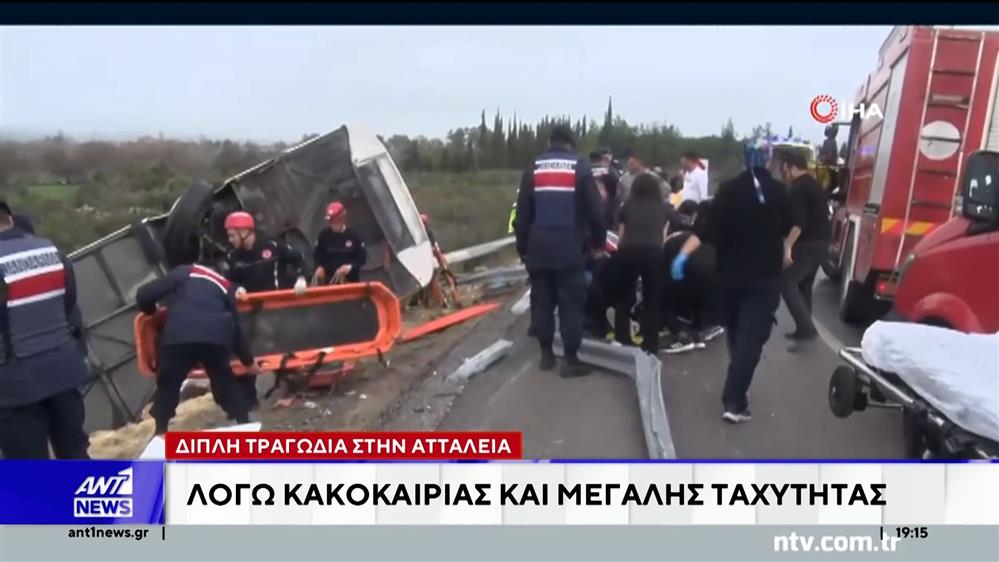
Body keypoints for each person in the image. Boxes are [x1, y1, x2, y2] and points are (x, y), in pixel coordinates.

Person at [683, 138, 791, 424]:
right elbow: (788, 226)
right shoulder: (780, 192)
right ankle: (734, 400)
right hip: (764, 278)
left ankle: (737, 375)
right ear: (769, 159)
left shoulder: (728, 189)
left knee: (736, 330)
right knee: (752, 337)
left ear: (745, 159)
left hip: (729, 276)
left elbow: (707, 227)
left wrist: (682, 255)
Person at [0, 200, 90, 459]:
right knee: (75, 455)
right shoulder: (53, 252)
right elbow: (70, 311)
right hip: (64, 372)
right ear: (10, 218)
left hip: (14, 388)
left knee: (30, 470)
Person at [515, 125, 605, 377]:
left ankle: (546, 355)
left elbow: (522, 216)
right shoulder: (580, 167)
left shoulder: (534, 167)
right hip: (570, 251)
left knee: (542, 301)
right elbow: (597, 214)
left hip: (538, 249)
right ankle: (570, 359)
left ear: (549, 142)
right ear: (571, 143)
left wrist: (523, 249)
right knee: (571, 305)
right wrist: (597, 244)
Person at [135, 263, 258, 435]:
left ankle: (161, 430)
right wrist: (248, 361)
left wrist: (150, 310)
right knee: (223, 377)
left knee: (169, 382)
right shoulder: (226, 286)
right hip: (216, 335)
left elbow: (144, 294)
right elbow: (236, 329)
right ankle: (243, 421)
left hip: (180, 334)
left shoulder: (186, 272)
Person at [223, 210, 307, 408]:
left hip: (278, 307)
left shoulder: (272, 245)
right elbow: (229, 281)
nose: (230, 239)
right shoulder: (233, 256)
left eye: (232, 235)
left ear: (244, 232)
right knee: (249, 347)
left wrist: (301, 278)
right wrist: (236, 288)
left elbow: (299, 259)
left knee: (282, 345)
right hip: (252, 311)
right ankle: (248, 399)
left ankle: (292, 386)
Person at [613, 173, 670, 354]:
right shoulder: (664, 207)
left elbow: (621, 235)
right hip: (653, 252)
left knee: (624, 296)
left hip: (628, 251)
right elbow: (663, 236)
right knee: (652, 299)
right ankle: (650, 343)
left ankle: (622, 337)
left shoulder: (626, 207)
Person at [660, 200, 724, 354]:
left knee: (660, 292)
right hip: (715, 292)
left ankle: (680, 335)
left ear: (695, 216)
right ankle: (700, 330)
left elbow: (661, 264)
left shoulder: (678, 238)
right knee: (702, 285)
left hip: (689, 286)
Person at [780, 151, 831, 342]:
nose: (784, 175)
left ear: (793, 168)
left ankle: (806, 328)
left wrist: (788, 246)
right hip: (821, 243)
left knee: (787, 282)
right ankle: (804, 328)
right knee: (804, 284)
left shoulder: (798, 189)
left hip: (808, 244)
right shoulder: (815, 185)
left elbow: (798, 223)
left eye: (785, 170)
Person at [312, 202, 367, 285]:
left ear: (342, 219)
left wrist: (349, 267)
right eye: (331, 221)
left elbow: (361, 258)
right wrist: (319, 267)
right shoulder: (324, 235)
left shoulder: (353, 236)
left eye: (336, 221)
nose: (333, 224)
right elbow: (317, 255)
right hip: (328, 281)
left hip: (349, 281)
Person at [589, 149, 620, 228]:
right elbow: (617, 188)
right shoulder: (611, 173)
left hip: (593, 207)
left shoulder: (587, 171)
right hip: (606, 207)